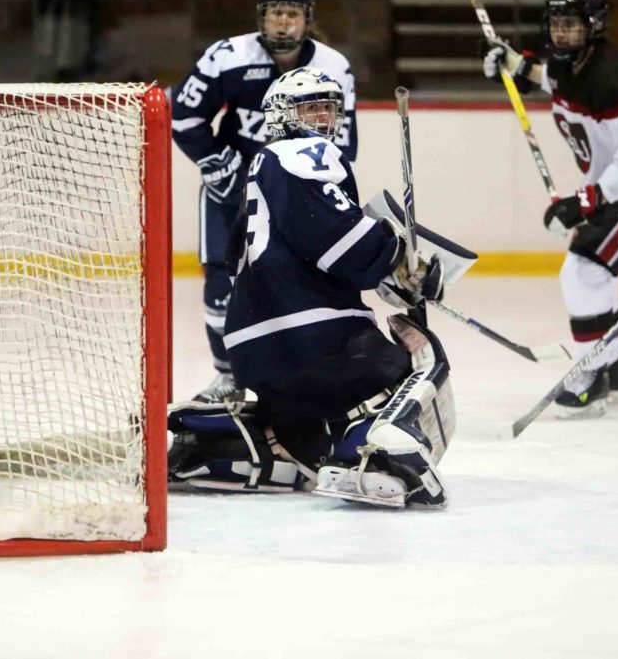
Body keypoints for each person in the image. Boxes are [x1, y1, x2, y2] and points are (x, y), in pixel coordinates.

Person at [167, 67, 474, 508]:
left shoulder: (262, 168)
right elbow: (336, 237)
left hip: (255, 347)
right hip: (314, 336)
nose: (323, 119)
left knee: (305, 441)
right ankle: (375, 459)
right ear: (281, 115)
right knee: (413, 365)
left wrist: (385, 271)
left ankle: (206, 442)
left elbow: (285, 250)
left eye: (328, 109)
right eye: (310, 108)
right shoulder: (303, 154)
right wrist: (398, 262)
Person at [480, 0, 618, 418]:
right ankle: (614, 367)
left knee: (583, 269)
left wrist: (585, 199)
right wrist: (511, 62)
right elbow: (545, 76)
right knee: (597, 274)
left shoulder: (613, 75)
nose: (562, 34)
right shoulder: (569, 64)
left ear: (594, 27)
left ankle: (592, 373)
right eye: (556, 24)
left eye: (571, 26)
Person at [170, 0, 357, 403]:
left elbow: (344, 144)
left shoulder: (333, 66)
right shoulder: (227, 56)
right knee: (221, 283)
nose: (283, 22)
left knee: (299, 282)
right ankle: (227, 376)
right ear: (262, 17)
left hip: (296, 197)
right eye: (275, 12)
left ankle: (299, 370)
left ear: (307, 19)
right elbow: (183, 112)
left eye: (292, 13)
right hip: (232, 190)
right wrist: (215, 161)